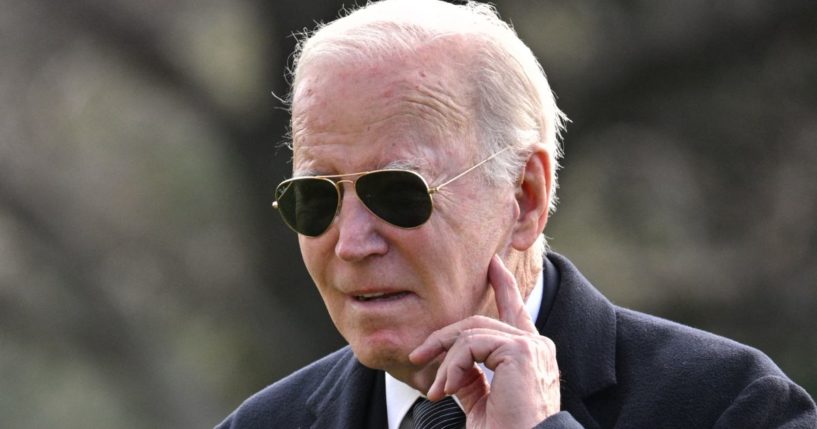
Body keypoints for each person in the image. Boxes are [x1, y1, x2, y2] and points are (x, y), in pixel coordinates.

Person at [217, 0, 817, 427]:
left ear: (524, 196)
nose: (350, 243)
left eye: (397, 193)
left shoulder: (732, 406)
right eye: (315, 198)